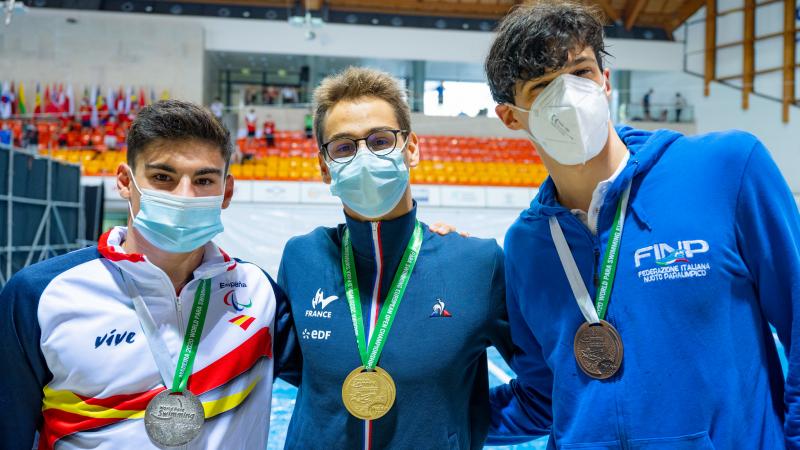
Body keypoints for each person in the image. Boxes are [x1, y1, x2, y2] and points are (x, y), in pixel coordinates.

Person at [484, 1, 800, 448]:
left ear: (606, 80)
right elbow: (542, 399)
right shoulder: (527, 243)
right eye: (542, 86)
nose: (569, 97)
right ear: (511, 116)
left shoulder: (726, 169)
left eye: (581, 72)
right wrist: (421, 412)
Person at [0, 100, 298, 450]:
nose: (185, 195)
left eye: (203, 179)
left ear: (226, 192)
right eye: (162, 177)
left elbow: (330, 377)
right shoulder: (39, 296)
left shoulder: (258, 291)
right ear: (126, 182)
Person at [277, 67, 514, 449]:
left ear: (412, 148)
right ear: (324, 168)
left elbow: (543, 386)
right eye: (344, 147)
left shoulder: (477, 263)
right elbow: (306, 375)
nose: (364, 156)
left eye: (381, 140)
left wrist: (460, 427)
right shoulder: (301, 257)